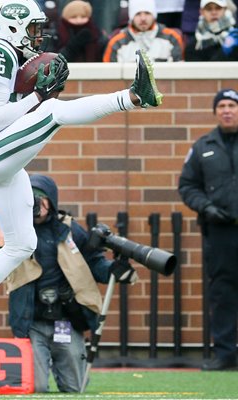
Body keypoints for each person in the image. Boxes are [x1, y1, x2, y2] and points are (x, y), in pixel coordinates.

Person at [0, 0, 163, 360]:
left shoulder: (3, 52)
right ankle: (133, 96)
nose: (38, 35)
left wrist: (33, 98)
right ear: (12, 26)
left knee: (21, 244)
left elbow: (3, 117)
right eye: (33, 27)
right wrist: (38, 96)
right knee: (54, 111)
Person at [0, 174, 137, 392]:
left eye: (41, 198)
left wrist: (113, 270)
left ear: (53, 201)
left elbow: (94, 262)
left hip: (66, 317)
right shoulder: (11, 229)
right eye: (31, 198)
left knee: (76, 387)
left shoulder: (70, 230)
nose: (36, 204)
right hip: (31, 321)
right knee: (33, 386)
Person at [178, 88, 238, 371]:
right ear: (215, 111)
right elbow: (187, 186)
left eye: (232, 105)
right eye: (222, 106)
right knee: (222, 293)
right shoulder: (204, 146)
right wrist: (206, 207)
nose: (227, 110)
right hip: (220, 232)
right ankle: (225, 355)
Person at [102, 0, 184, 62]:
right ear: (131, 17)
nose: (143, 18)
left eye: (147, 13)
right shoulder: (117, 42)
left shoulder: (172, 38)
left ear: (154, 15)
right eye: (138, 14)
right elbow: (108, 76)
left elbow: (180, 73)